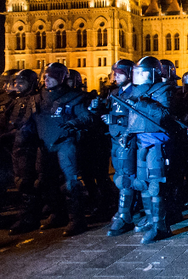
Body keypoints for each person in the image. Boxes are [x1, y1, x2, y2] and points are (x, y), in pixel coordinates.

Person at [19, 63, 94, 236]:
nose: (46, 80)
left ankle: (77, 219)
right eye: (45, 77)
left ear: (60, 78)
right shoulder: (37, 99)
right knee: (45, 181)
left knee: (71, 182)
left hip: (65, 143)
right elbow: (29, 123)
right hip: (45, 146)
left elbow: (86, 117)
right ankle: (57, 214)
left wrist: (73, 123)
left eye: (50, 77)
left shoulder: (73, 97)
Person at [124, 56, 175, 244]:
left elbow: (163, 115)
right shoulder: (136, 90)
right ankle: (151, 220)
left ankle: (160, 226)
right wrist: (127, 134)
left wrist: (140, 103)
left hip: (156, 143)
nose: (138, 76)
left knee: (156, 186)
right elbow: (134, 120)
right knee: (143, 183)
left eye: (142, 72)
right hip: (141, 142)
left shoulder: (164, 89)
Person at [101, 59, 139, 237]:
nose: (115, 76)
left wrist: (118, 121)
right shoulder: (115, 92)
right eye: (114, 73)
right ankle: (128, 209)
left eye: (119, 73)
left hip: (128, 139)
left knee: (125, 177)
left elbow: (138, 117)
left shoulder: (136, 92)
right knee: (119, 176)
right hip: (116, 139)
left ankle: (125, 216)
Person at [7, 70, 40, 235]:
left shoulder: (34, 100)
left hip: (28, 146)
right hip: (17, 146)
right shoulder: (16, 100)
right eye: (17, 82)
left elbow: (29, 124)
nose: (17, 85)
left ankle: (29, 218)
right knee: (19, 180)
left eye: (22, 82)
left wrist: (14, 132)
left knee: (26, 182)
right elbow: (7, 121)